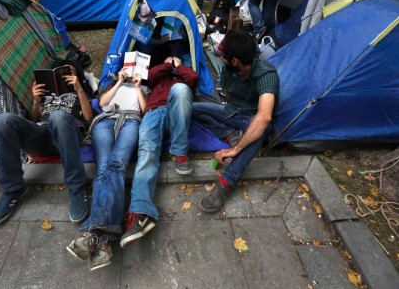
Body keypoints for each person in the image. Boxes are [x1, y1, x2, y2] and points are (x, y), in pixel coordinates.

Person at [0, 60, 93, 225]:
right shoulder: (46, 96)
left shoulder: (80, 93)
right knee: (3, 120)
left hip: (67, 133)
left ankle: (76, 187)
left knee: (58, 116)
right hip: (43, 134)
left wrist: (79, 89)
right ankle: (13, 189)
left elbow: (88, 118)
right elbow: (34, 120)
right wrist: (36, 101)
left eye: (69, 72)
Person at [66, 68, 149, 271]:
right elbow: (102, 104)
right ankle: (103, 240)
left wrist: (138, 87)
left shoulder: (144, 87)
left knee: (117, 164)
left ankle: (93, 234)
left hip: (131, 120)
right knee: (103, 167)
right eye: (126, 69)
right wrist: (119, 82)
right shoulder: (112, 85)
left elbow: (145, 110)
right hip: (106, 120)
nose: (130, 72)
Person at [192, 29, 279, 212]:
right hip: (231, 113)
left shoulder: (266, 74)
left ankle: (225, 182)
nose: (219, 57)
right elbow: (228, 97)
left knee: (261, 128)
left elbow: (264, 116)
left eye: (222, 55)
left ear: (235, 61)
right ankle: (230, 134)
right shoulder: (228, 68)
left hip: (251, 119)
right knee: (192, 109)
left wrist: (235, 150)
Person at [120, 56, 199, 248]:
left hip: (175, 114)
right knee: (147, 152)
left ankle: (179, 152)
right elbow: (150, 76)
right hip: (153, 112)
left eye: (175, 59)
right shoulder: (158, 73)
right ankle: (139, 212)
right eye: (169, 59)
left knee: (180, 89)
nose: (172, 61)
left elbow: (194, 79)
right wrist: (165, 64)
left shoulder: (183, 75)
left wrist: (179, 66)